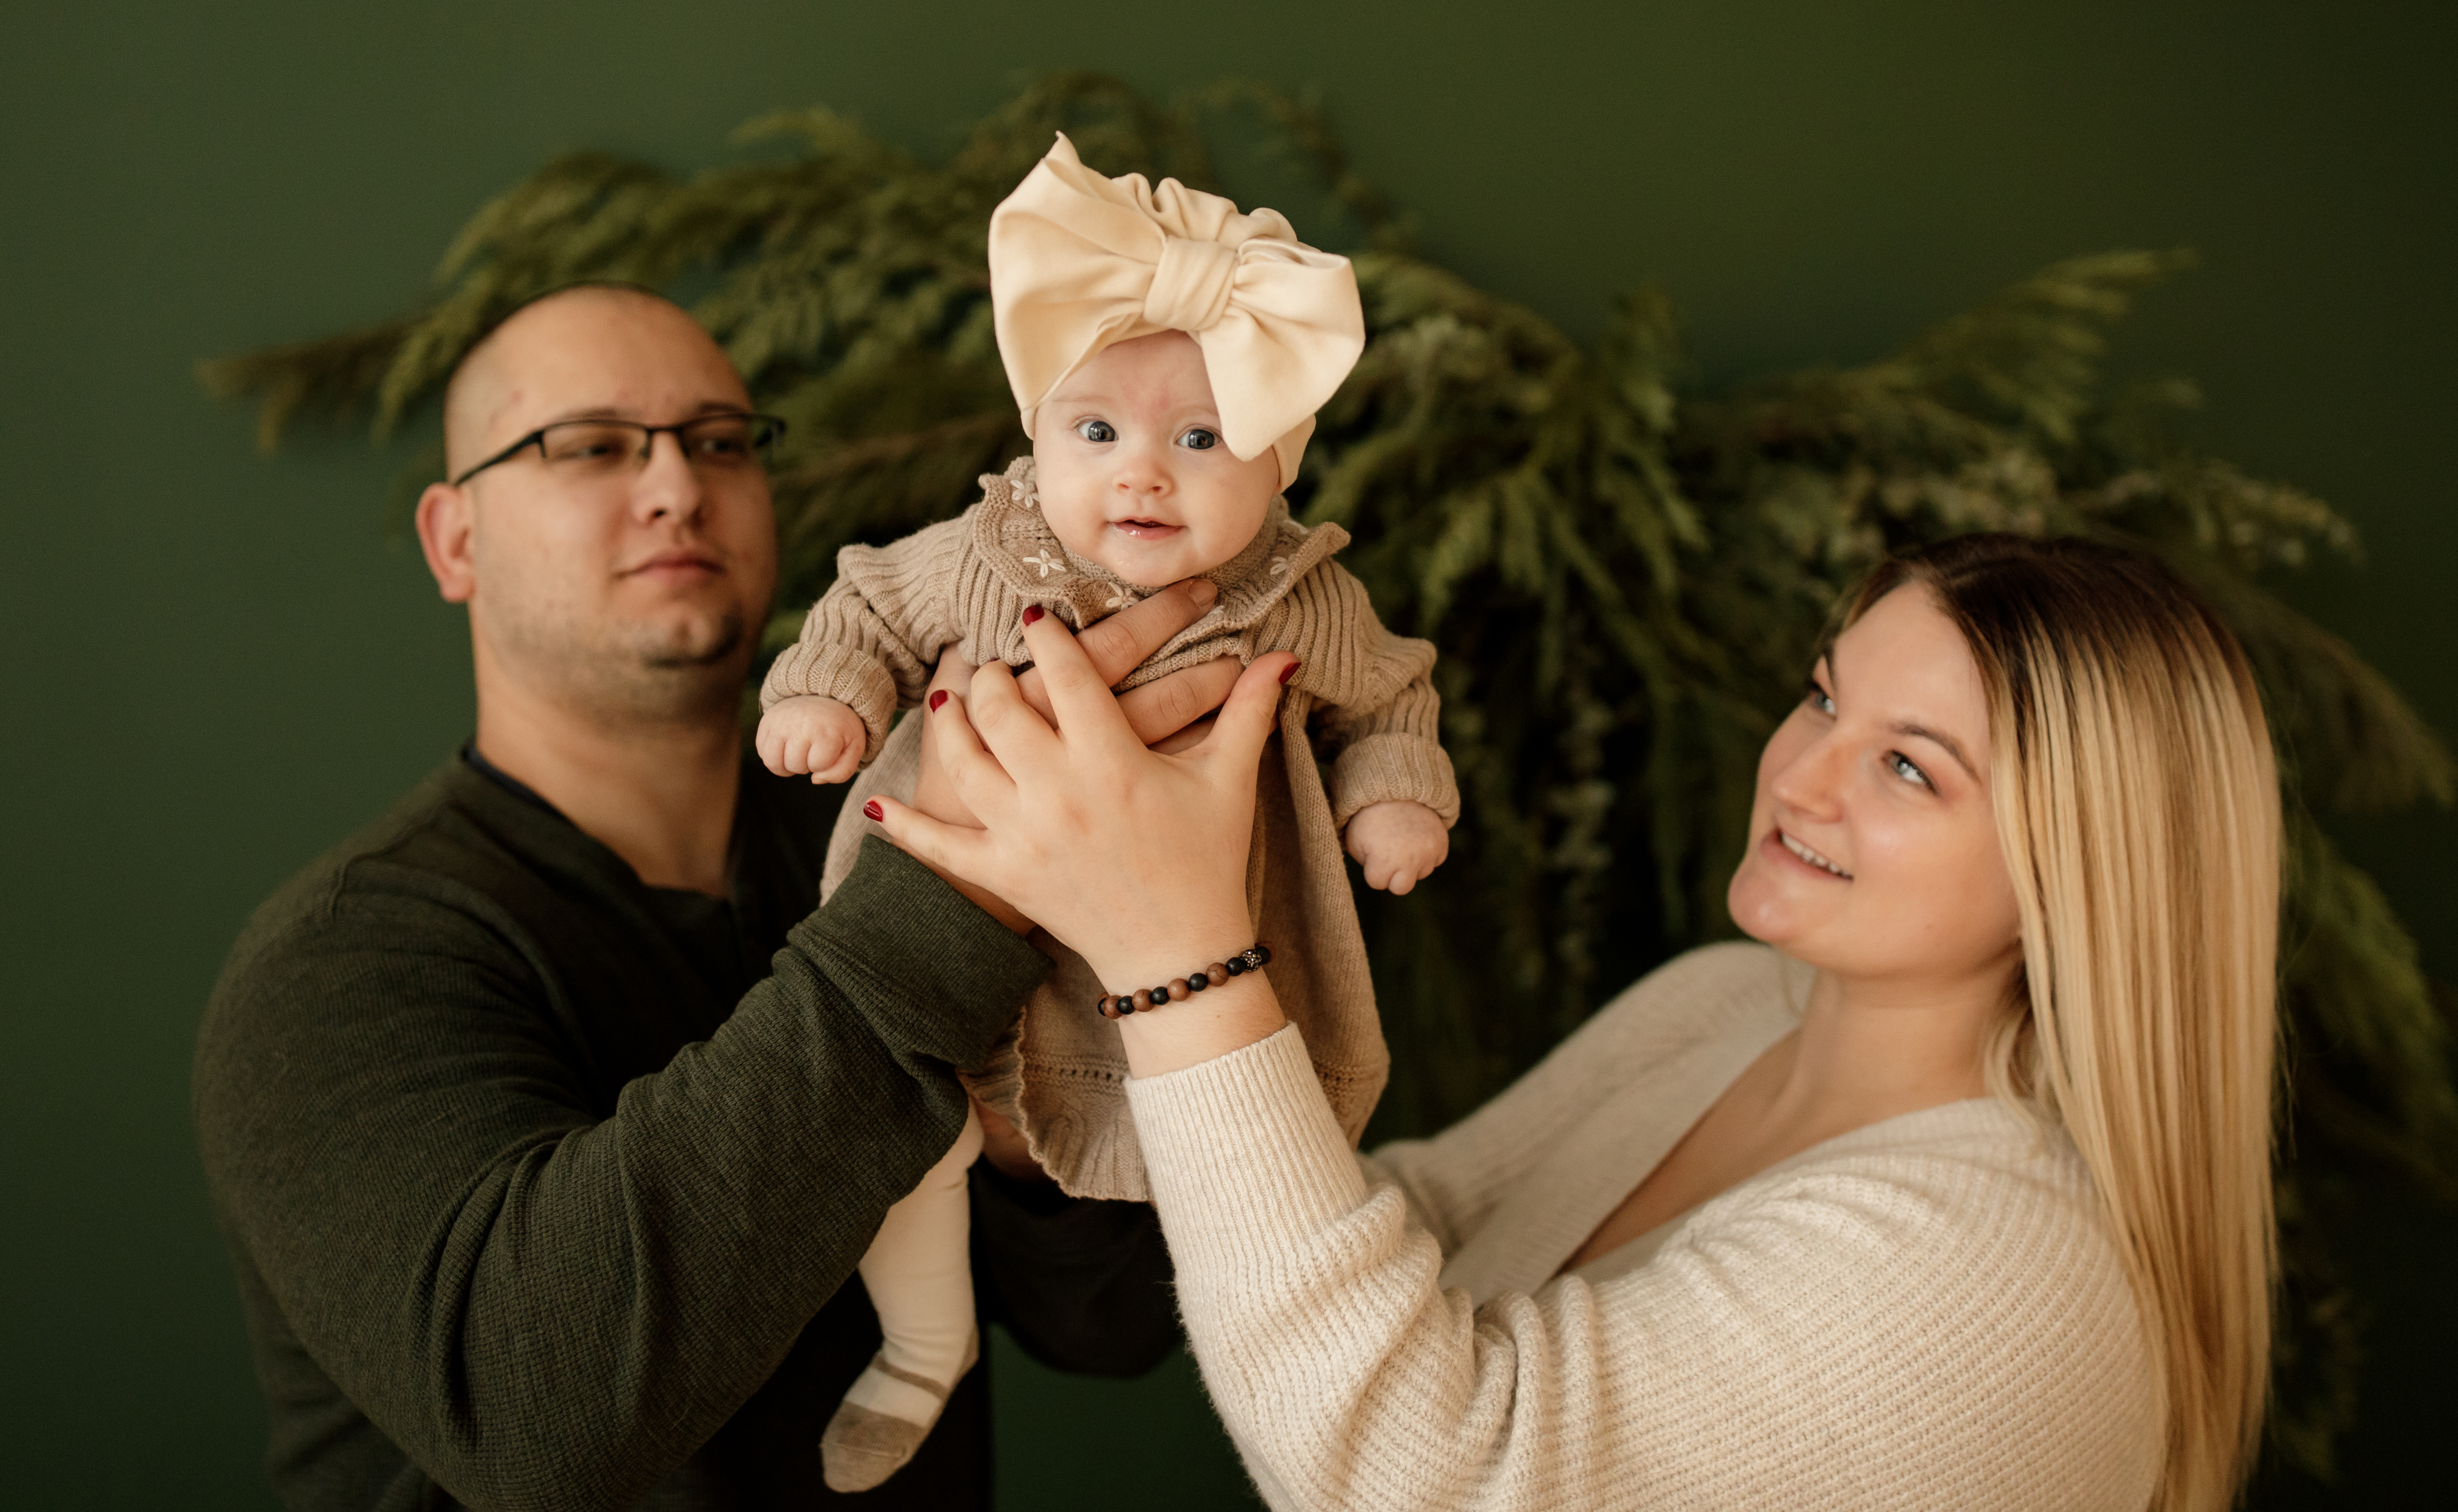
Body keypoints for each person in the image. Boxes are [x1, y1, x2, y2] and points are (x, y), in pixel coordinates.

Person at [875, 531, 2282, 1512]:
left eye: (1909, 767)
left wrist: (1180, 951)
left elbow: (1428, 1471)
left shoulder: (2003, 1280)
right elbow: (1391, 1227)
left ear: (2087, 873)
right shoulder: (1735, 1004)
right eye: (1823, 697)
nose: (1801, 775)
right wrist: (1055, 1047)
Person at [191, 284, 1233, 1509]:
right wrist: (949, 890)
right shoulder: (339, 967)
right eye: (588, 445)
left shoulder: (886, 814)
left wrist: (1024, 1125)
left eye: (722, 441)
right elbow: (542, 1415)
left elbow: (1112, 1326)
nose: (679, 485)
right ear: (454, 539)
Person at [754, 136, 1456, 1487]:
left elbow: (1393, 696)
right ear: (1036, 441)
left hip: (1163, 976)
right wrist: (830, 695)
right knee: (907, 1135)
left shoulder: (1300, 598)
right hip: (943, 933)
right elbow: (870, 606)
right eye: (1099, 434)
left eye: (1201, 440)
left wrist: (1394, 798)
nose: (1143, 475)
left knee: (1183, 1161)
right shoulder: (988, 555)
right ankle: (922, 1340)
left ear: (1279, 470)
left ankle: (1246, 1339)